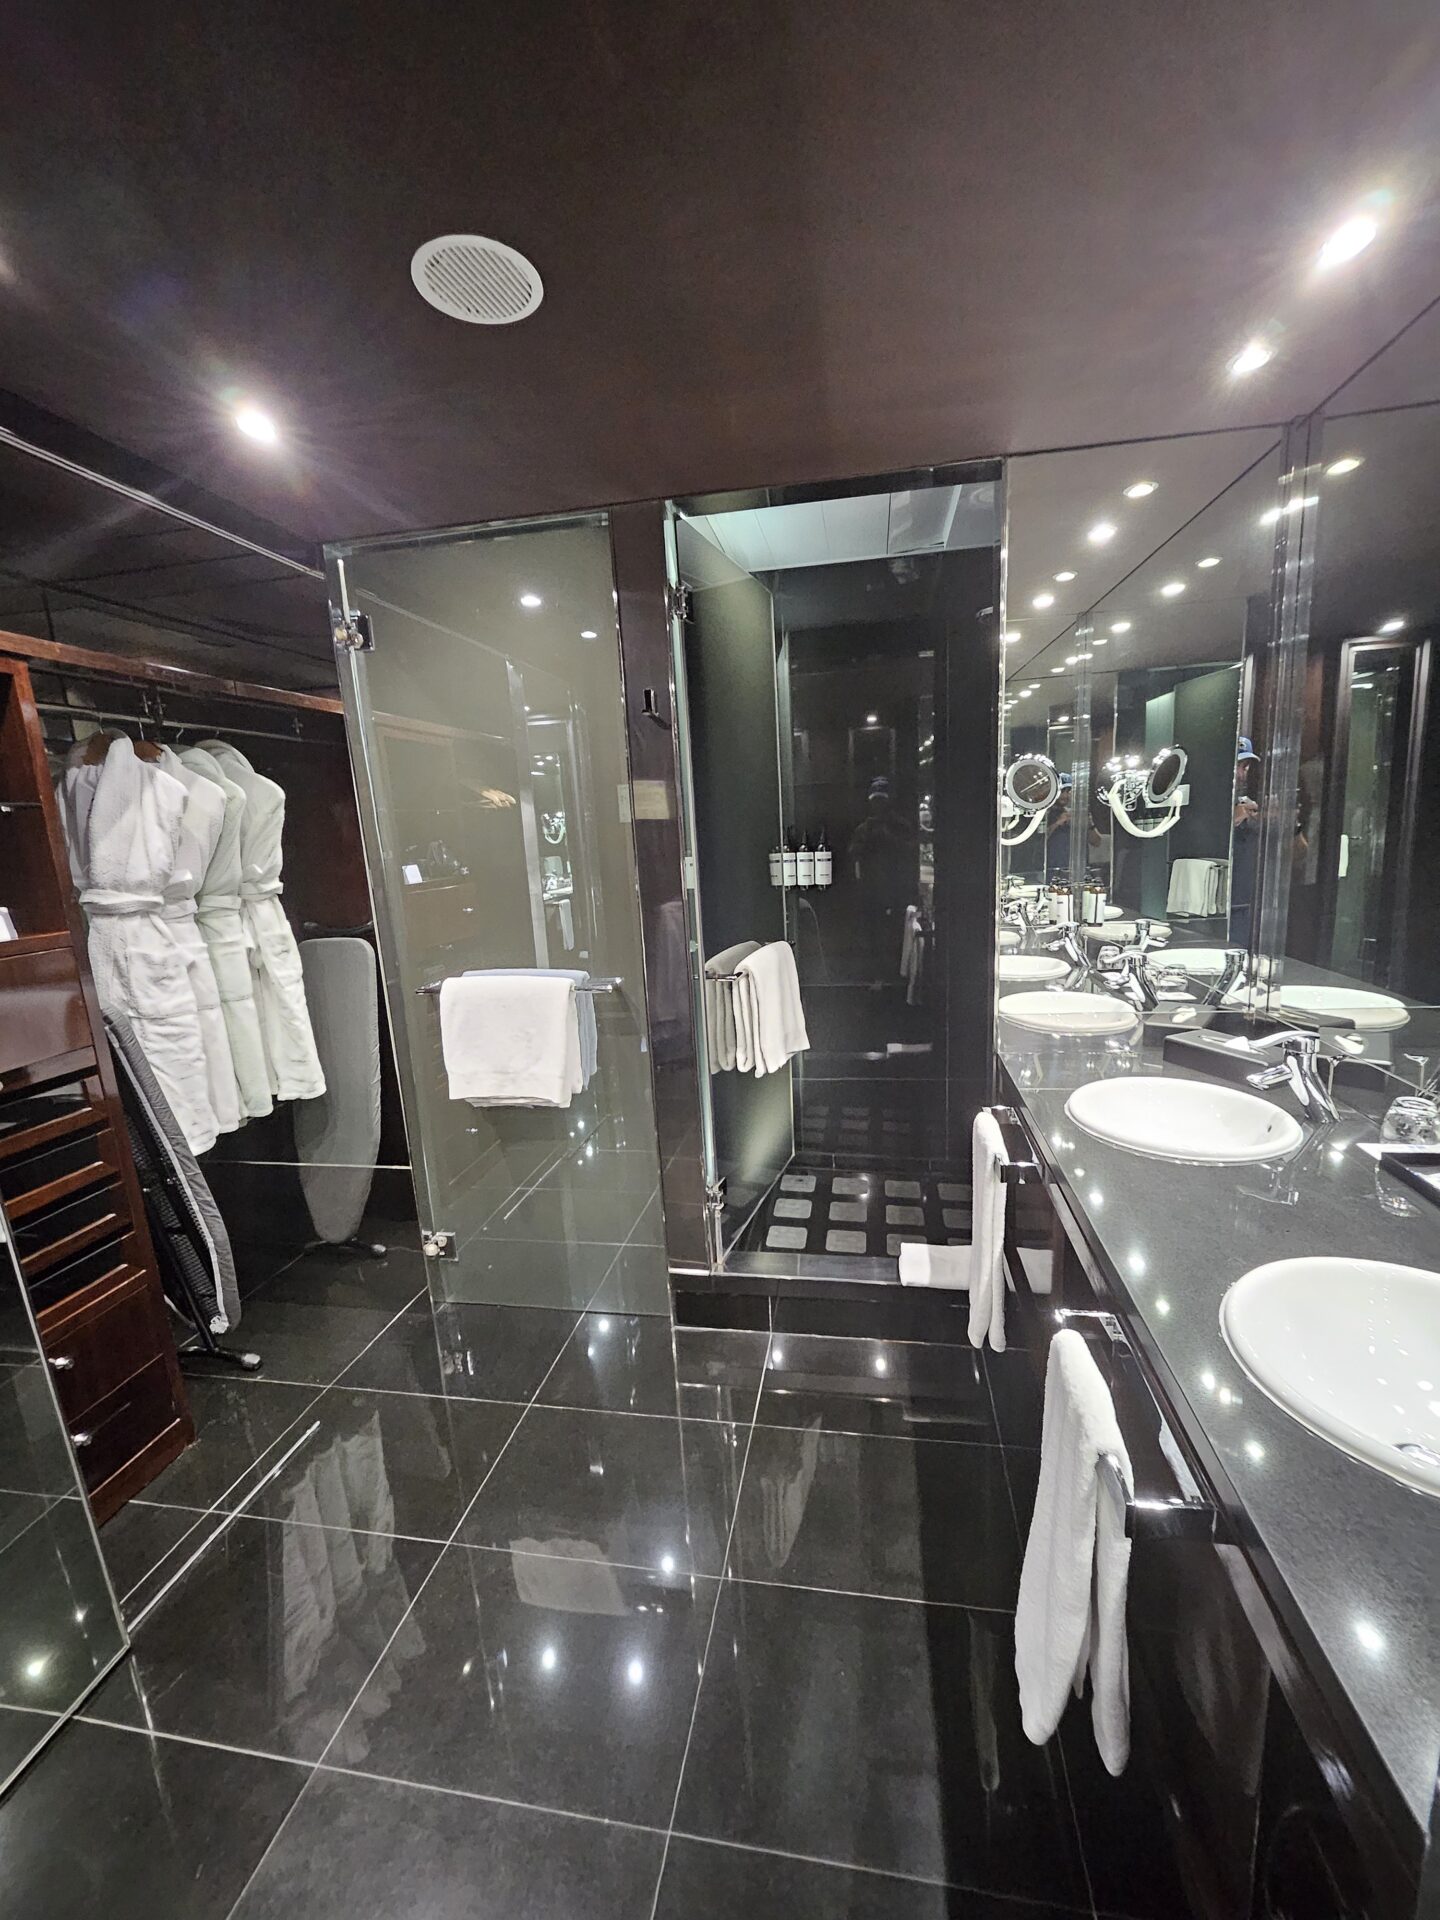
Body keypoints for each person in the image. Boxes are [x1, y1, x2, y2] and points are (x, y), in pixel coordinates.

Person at [1228, 737, 1262, 947]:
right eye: (1237, 766)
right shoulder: (1205, 804)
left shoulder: (1249, 806)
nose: (1242, 774)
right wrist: (1232, 819)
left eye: (1245, 766)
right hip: (1214, 909)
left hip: (1244, 902)